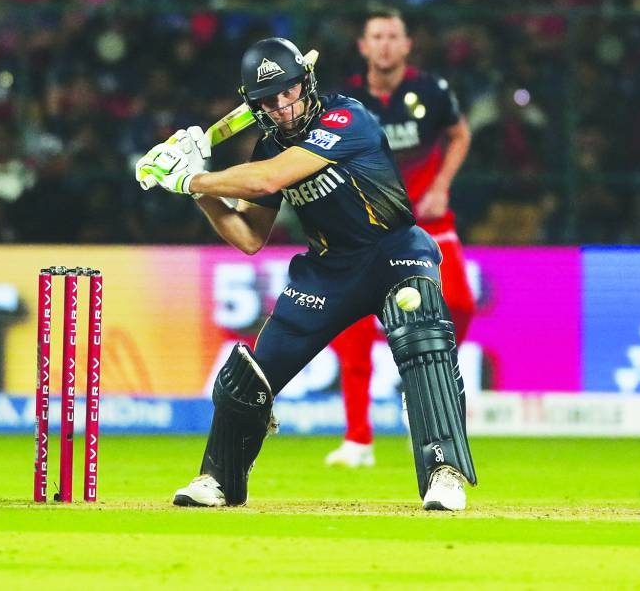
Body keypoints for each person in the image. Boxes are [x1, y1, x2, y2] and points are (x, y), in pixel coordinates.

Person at [135, 37, 477, 511]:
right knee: (249, 378)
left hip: (393, 250)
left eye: (289, 92)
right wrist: (200, 192)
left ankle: (444, 474)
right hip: (329, 271)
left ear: (306, 83)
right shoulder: (268, 145)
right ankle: (217, 480)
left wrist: (191, 178)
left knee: (424, 343)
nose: (283, 106)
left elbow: (269, 178)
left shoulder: (346, 118)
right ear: (254, 106)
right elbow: (249, 236)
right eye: (269, 101)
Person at [325, 8, 475, 468]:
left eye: (394, 36)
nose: (386, 44)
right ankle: (358, 439)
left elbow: (459, 134)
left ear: (407, 45)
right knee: (350, 329)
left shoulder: (431, 90)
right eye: (377, 36)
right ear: (363, 46)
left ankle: (421, 385)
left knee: (462, 304)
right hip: (368, 228)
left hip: (428, 222)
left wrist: (441, 184)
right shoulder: (345, 101)